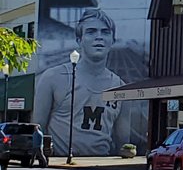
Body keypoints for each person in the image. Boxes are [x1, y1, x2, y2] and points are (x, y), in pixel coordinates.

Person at [34, 9, 130, 157]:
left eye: (105, 32)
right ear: (79, 40)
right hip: (58, 165)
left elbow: (123, 141)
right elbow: (38, 127)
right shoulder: (54, 77)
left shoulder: (120, 87)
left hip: (101, 166)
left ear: (113, 41)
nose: (99, 37)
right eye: (91, 32)